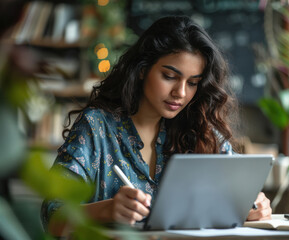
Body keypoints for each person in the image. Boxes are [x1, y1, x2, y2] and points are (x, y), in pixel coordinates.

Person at [41, 15, 272, 236]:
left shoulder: (201, 129)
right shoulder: (97, 126)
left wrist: (254, 204)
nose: (180, 93)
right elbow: (53, 217)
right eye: (169, 76)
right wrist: (106, 210)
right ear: (143, 69)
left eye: (192, 83)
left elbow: (241, 192)